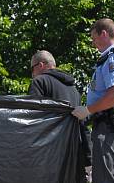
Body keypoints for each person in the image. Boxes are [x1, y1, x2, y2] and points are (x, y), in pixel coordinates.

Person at [72, 18, 114, 183]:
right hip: (112, 124)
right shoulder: (110, 58)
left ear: (104, 34)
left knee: (102, 177)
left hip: (110, 125)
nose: (93, 43)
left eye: (94, 38)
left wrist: (88, 110)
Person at [28, 50, 92, 179]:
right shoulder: (74, 90)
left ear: (40, 65)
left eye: (32, 69)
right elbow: (82, 124)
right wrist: (89, 157)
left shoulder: (39, 82)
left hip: (49, 152)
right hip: (74, 152)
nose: (32, 74)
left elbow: (34, 117)